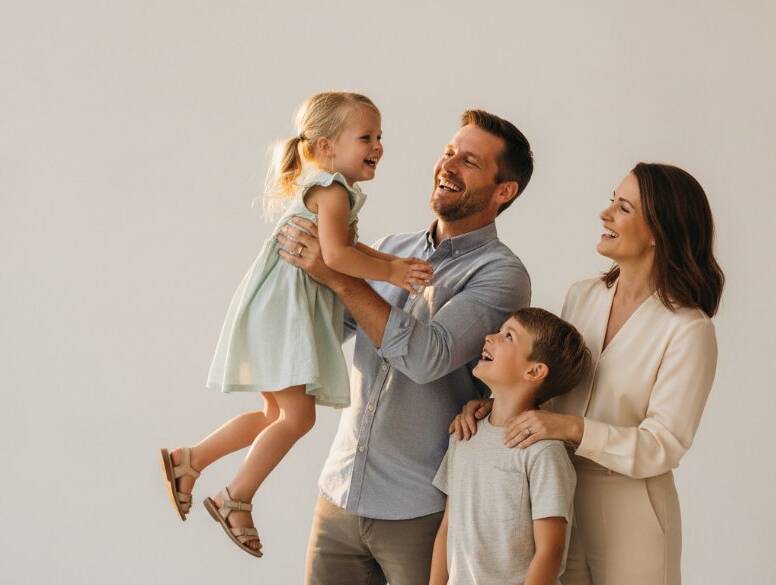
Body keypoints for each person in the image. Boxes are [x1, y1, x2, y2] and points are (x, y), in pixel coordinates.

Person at [159, 91, 433, 557]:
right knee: (297, 417)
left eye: (380, 136)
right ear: (326, 147)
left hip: (276, 309)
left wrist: (392, 262)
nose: (378, 145)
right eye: (365, 136)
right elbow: (336, 256)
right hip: (285, 313)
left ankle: (191, 460)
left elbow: (350, 248)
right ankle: (234, 498)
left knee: (274, 415)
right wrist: (391, 273)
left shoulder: (331, 188)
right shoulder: (331, 190)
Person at [277, 109, 534, 584]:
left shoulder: (501, 274)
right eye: (449, 152)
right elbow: (328, 327)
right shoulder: (389, 248)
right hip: (339, 495)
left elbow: (425, 358)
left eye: (470, 162)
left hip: (419, 511)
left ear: (504, 191)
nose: (448, 166)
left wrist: (335, 274)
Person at [451, 163, 724, 585]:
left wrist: (571, 427)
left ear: (658, 232)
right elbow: (550, 383)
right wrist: (492, 407)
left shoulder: (688, 329)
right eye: (612, 200)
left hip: (633, 511)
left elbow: (664, 444)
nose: (606, 214)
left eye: (624, 207)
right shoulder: (583, 295)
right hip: (555, 497)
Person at [429, 308, 591, 585]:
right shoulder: (464, 434)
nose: (490, 337)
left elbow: (550, 551)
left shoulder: (543, 452)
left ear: (534, 371)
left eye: (508, 336)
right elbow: (447, 527)